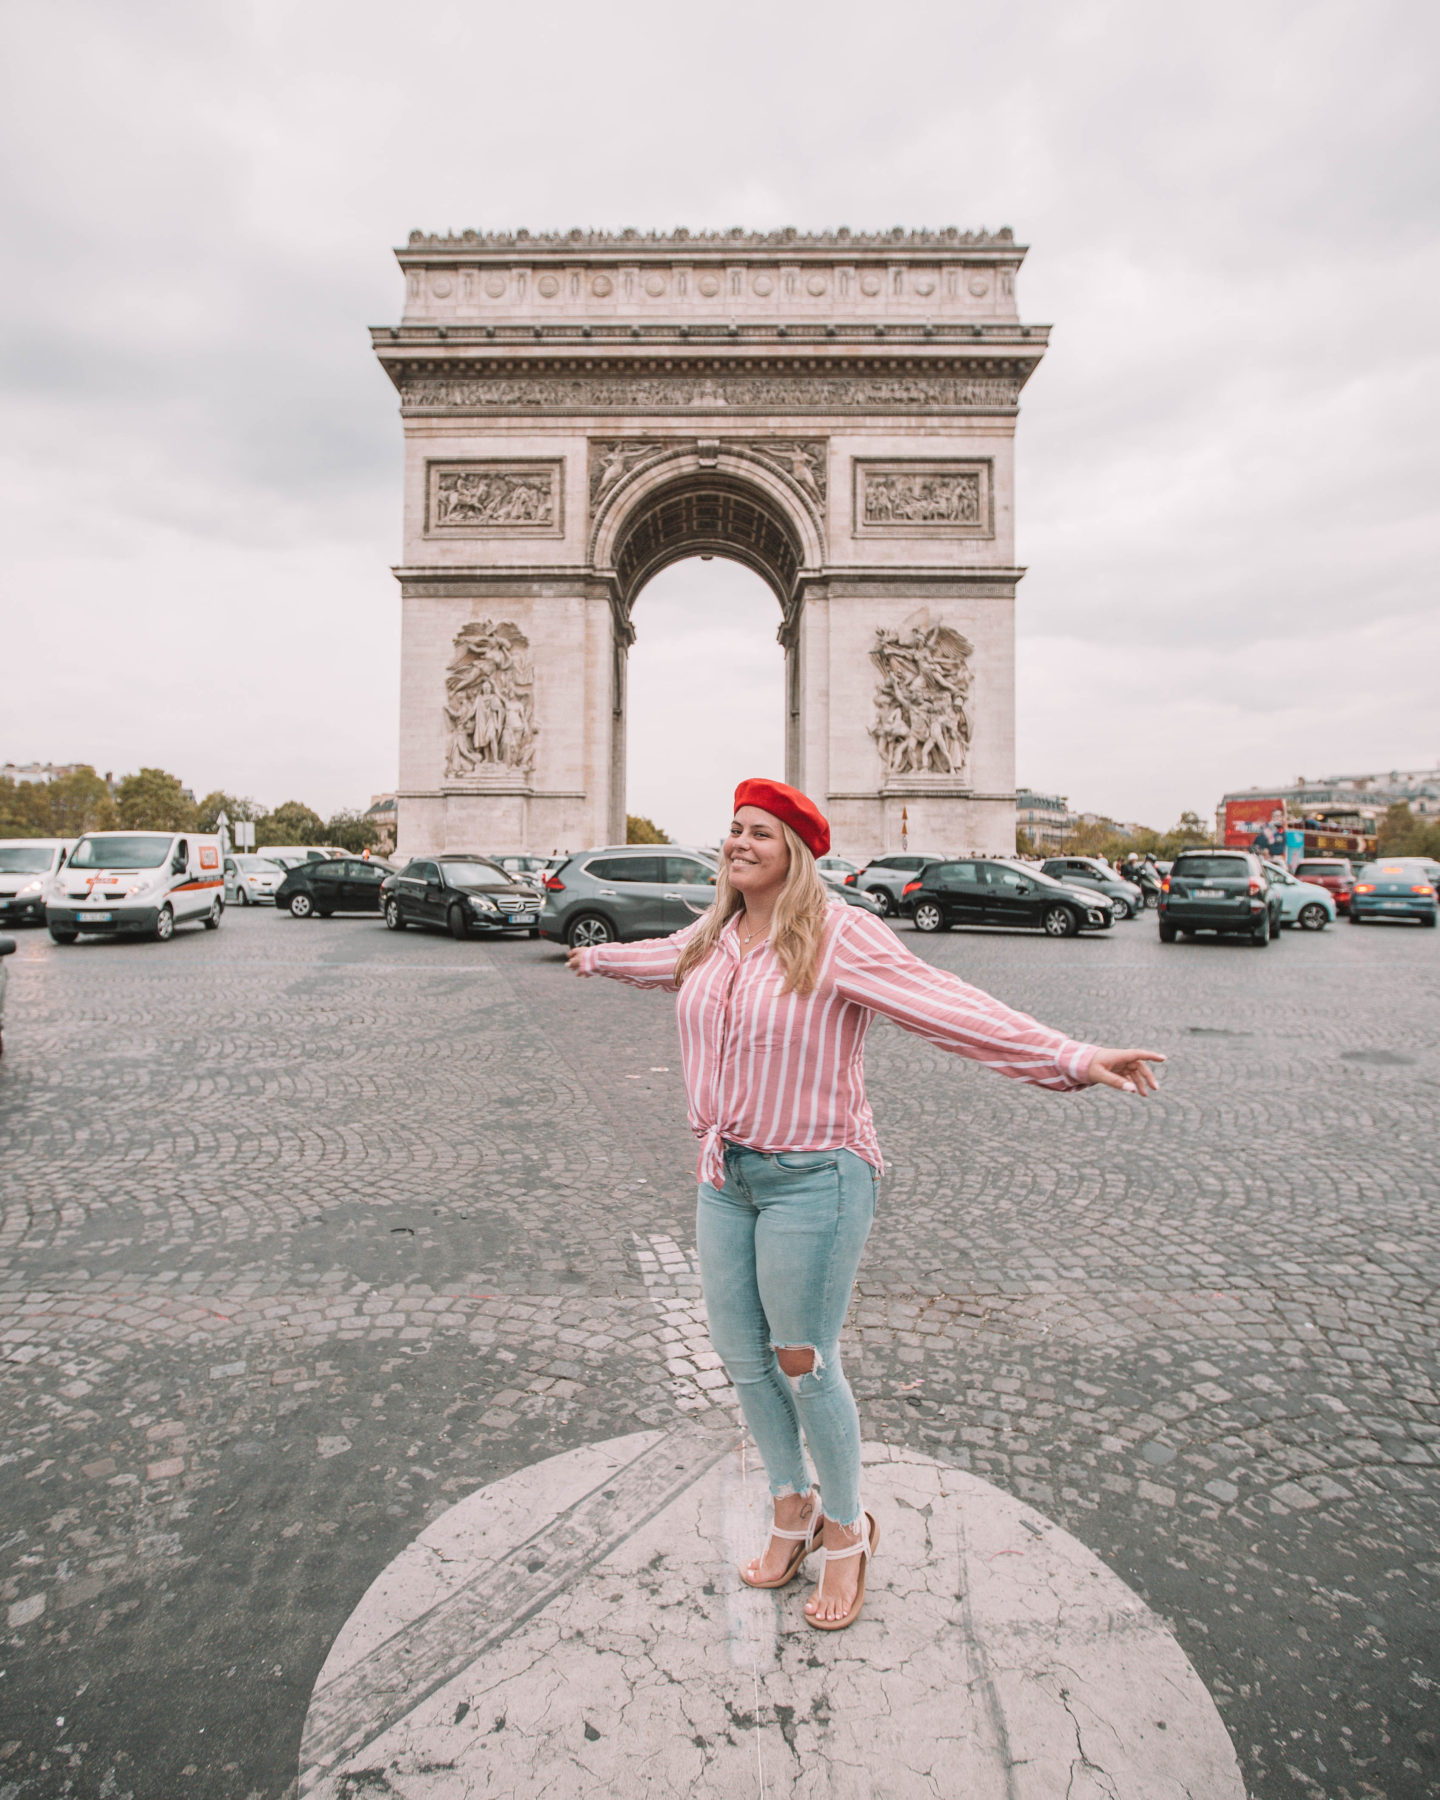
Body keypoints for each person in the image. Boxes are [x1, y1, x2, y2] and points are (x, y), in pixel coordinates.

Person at [568, 779, 1163, 1631]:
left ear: (796, 853)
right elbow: (664, 960)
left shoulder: (840, 936)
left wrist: (1071, 1055)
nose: (739, 845)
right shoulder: (718, 934)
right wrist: (594, 956)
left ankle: (847, 1530)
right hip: (723, 1176)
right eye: (734, 830)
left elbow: (948, 1005)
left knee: (804, 1359)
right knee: (744, 1358)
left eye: (761, 835)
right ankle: (791, 1507)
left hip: (818, 1178)